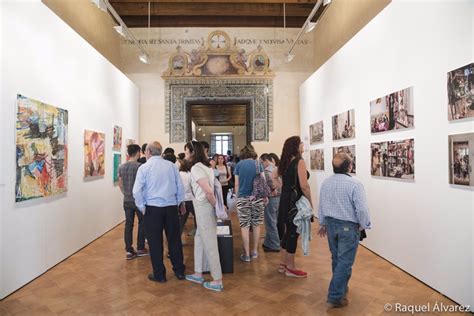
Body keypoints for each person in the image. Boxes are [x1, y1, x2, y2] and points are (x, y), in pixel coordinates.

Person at [317, 153, 371, 308]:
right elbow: (362, 209)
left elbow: (321, 205)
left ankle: (341, 288)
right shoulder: (355, 184)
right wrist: (363, 224)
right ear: (349, 167)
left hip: (331, 226)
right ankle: (335, 295)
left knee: (337, 259)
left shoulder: (326, 182)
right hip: (348, 227)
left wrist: (322, 223)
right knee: (345, 262)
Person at [133, 141, 186, 283]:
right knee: (174, 240)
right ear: (160, 152)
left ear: (148, 152)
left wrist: (142, 208)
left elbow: (136, 191)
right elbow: (179, 187)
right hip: (170, 208)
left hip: (152, 208)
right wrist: (180, 202)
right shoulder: (171, 166)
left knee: (155, 242)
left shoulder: (144, 168)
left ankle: (159, 274)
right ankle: (179, 271)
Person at [185, 141, 224, 292]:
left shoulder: (196, 168)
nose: (186, 155)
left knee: (209, 242)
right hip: (203, 207)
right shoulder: (206, 167)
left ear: (193, 152)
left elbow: (208, 191)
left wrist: (216, 207)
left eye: (187, 152)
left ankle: (217, 279)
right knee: (200, 239)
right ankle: (198, 272)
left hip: (203, 207)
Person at [277, 136, 312, 278]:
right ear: (296, 146)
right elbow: (304, 186)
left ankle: (283, 264)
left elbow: (276, 177)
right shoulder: (299, 161)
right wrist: (310, 202)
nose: (303, 145)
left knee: (287, 232)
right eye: (301, 143)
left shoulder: (285, 162)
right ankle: (290, 268)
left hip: (285, 200)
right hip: (295, 202)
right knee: (293, 232)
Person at [234, 145, 266, 262]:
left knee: (245, 226)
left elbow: (236, 184)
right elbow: (263, 182)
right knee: (257, 225)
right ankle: (255, 251)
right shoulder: (258, 164)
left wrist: (238, 197)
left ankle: (246, 254)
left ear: (242, 155)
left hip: (243, 198)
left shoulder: (238, 165)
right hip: (257, 198)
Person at [118, 144, 148, 260]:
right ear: (137, 153)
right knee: (142, 223)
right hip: (139, 200)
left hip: (127, 200)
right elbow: (144, 185)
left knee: (128, 225)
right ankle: (140, 248)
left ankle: (129, 251)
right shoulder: (140, 166)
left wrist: (126, 193)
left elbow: (120, 183)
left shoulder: (121, 167)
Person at [260, 153, 281, 252]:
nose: (261, 164)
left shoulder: (267, 171)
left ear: (265, 161)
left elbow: (269, 186)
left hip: (271, 199)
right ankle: (268, 243)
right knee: (273, 221)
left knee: (270, 222)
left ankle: (275, 245)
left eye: (261, 162)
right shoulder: (277, 169)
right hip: (279, 198)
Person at [178, 159, 196, 241]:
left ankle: (178, 238)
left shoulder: (179, 174)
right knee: (197, 216)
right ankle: (197, 232)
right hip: (191, 199)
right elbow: (193, 187)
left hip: (182, 200)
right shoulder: (191, 174)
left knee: (181, 220)